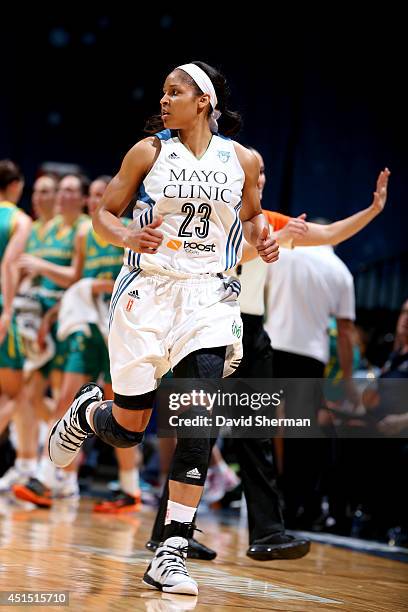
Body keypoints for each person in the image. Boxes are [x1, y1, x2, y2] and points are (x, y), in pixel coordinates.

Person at [47, 61, 279, 596]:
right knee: (130, 427)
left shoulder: (241, 159)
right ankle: (89, 412)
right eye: (163, 93)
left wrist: (262, 238)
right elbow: (104, 214)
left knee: (197, 422)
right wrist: (127, 234)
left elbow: (249, 216)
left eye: (175, 92)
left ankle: (171, 550)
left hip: (208, 297)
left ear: (204, 101)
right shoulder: (148, 151)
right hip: (146, 293)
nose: (165, 101)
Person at [145, 148, 390, 560]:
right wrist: (274, 240)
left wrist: (373, 209)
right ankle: (170, 532)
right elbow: (221, 257)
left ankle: (267, 533)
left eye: (260, 175)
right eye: (248, 174)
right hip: (211, 327)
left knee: (255, 434)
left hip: (253, 333)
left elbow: (328, 237)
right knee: (198, 433)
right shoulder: (210, 216)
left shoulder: (271, 221)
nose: (256, 181)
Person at [0, 160, 32, 435]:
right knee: (13, 394)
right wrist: (8, 311)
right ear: (14, 186)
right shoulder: (19, 220)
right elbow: (9, 265)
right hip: (2, 306)